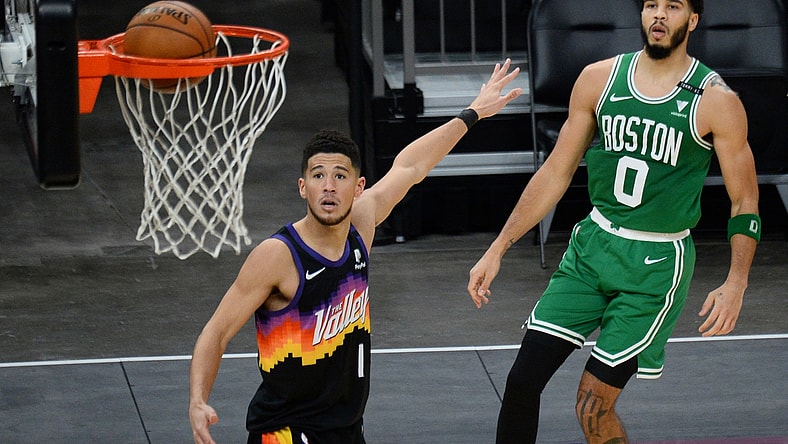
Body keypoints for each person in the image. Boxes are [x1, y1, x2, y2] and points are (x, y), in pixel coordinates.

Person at [467, 1, 760, 443]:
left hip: (657, 265)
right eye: (650, 5)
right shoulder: (598, 79)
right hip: (593, 247)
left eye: (673, 6)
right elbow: (556, 172)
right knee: (522, 382)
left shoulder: (716, 101)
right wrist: (498, 248)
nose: (659, 15)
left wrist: (736, 282)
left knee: (592, 405)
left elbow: (745, 201)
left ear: (692, 20)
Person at [188, 60, 522, 444]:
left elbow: (411, 166)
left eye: (339, 176)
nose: (328, 187)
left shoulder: (360, 228)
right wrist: (198, 400)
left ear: (358, 186)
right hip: (285, 433)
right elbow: (216, 332)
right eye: (318, 176)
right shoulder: (277, 256)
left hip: (346, 431)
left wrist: (472, 113)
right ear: (302, 187)